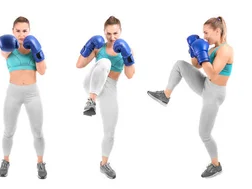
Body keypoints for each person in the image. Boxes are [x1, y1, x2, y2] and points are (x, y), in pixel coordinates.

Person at [147, 16, 232, 178]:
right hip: (205, 85)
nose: (204, 36)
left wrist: (202, 53)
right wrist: (194, 50)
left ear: (218, 31)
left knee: (204, 133)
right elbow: (196, 65)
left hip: (215, 93)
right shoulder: (212, 48)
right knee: (180, 64)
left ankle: (216, 165)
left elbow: (213, 73)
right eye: (203, 33)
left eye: (207, 33)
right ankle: (166, 95)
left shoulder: (226, 50)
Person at [76, 16, 135, 179]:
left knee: (110, 130)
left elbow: (130, 75)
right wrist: (88, 46)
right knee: (105, 63)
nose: (112, 37)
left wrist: (128, 56)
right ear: (104, 32)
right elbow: (79, 64)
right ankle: (91, 101)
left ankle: (104, 164)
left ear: (120, 31)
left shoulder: (125, 49)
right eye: (108, 33)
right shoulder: (98, 46)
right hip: (92, 84)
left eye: (115, 33)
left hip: (110, 87)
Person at [0, 16, 48, 179]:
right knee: (8, 131)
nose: (21, 34)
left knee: (38, 131)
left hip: (32, 93)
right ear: (13, 31)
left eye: (24, 31)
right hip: (13, 93)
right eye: (17, 31)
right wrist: (11, 43)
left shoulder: (34, 48)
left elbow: (42, 71)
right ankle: (5, 160)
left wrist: (37, 51)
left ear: (29, 31)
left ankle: (40, 162)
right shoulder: (8, 48)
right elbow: (4, 53)